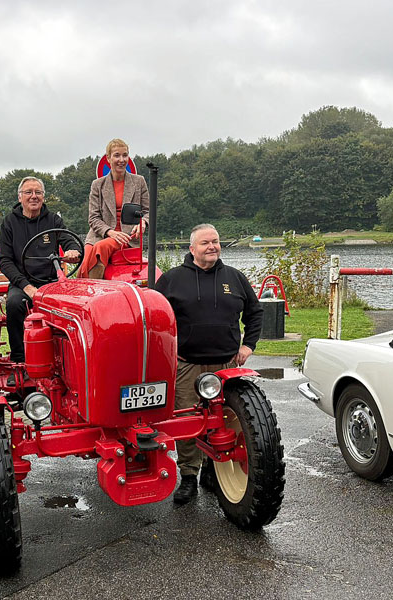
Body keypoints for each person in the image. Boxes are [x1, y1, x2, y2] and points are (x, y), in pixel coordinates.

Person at [155, 224, 263, 504]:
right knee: (188, 423)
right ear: (192, 249)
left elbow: (255, 312)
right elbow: (154, 319)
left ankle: (214, 472)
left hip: (226, 365)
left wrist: (248, 345)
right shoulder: (172, 279)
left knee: (223, 421)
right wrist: (169, 352)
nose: (212, 246)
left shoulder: (235, 278)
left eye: (215, 241)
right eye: (205, 243)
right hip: (187, 365)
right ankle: (189, 476)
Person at [0, 176, 81, 379]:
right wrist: (26, 287)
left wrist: (73, 251)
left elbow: (69, 240)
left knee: (73, 307)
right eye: (29, 192)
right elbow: (4, 261)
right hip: (23, 283)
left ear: (43, 197)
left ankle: (69, 361)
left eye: (38, 192)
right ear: (20, 196)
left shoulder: (53, 220)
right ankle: (20, 362)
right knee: (16, 304)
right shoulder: (9, 223)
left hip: (51, 282)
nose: (33, 196)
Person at [80, 138, 150, 279]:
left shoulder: (139, 181)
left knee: (101, 248)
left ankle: (92, 289)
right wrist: (110, 232)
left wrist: (143, 222)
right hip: (98, 235)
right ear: (108, 158)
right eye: (117, 155)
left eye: (125, 155)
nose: (121, 159)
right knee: (86, 257)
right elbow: (93, 218)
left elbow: (148, 212)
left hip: (128, 235)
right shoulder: (97, 185)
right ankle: (84, 291)